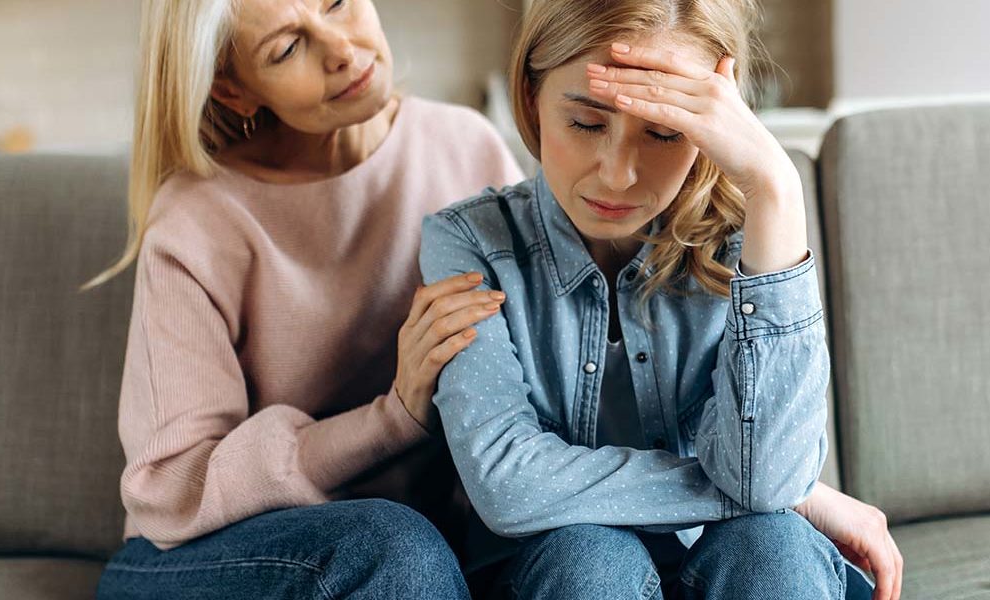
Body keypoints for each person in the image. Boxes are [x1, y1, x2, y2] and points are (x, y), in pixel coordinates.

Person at [419, 0, 903, 598]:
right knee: (589, 556)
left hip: (732, 562)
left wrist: (776, 187)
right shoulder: (469, 240)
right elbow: (508, 486)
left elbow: (770, 481)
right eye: (587, 123)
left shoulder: (747, 242)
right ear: (531, 101)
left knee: (773, 547)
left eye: (664, 131)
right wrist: (794, 495)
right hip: (557, 572)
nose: (618, 173)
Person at [85, 0, 523, 597]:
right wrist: (393, 419)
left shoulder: (465, 145)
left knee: (584, 550)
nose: (341, 49)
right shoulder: (198, 219)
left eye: (339, 4)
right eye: (287, 48)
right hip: (209, 555)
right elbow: (172, 487)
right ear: (235, 91)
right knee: (392, 545)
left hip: (423, 550)